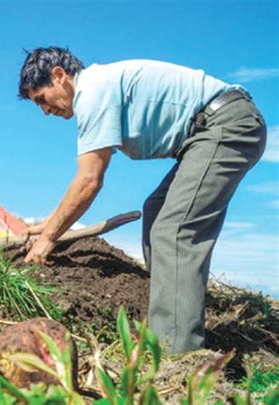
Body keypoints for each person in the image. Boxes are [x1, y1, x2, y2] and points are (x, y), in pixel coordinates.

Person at [18, 47, 266, 353]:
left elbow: (88, 180)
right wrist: (49, 223)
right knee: (157, 209)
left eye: (42, 99)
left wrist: (48, 238)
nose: (44, 111)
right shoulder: (98, 87)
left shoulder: (92, 92)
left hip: (226, 125)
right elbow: (85, 181)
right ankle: (170, 313)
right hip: (208, 132)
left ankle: (177, 355)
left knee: (174, 230)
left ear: (59, 76)